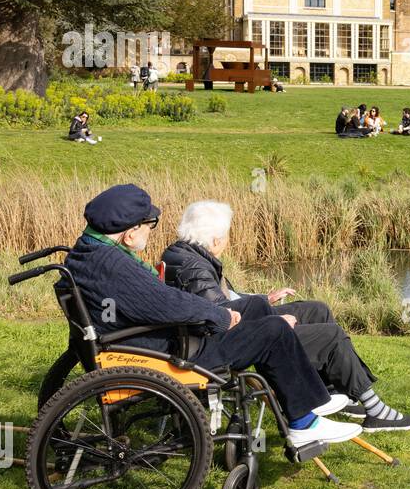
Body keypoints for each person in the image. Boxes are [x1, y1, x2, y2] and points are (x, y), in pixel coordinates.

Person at [63, 185, 360, 447]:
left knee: (256, 308)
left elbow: (157, 300)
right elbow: (166, 303)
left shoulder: (89, 252)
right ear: (129, 234)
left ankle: (306, 396)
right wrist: (217, 316)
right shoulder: (114, 266)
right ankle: (303, 424)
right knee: (273, 331)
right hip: (168, 354)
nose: (150, 231)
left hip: (151, 340)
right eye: (149, 225)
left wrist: (220, 310)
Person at [162, 201, 410, 432]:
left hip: (236, 323)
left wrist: (265, 298)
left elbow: (224, 299)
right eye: (227, 234)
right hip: (233, 339)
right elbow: (221, 319)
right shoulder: (195, 267)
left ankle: (332, 392)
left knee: (317, 309)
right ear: (216, 240)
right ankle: (374, 410)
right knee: (331, 336)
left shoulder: (186, 255)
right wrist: (272, 322)